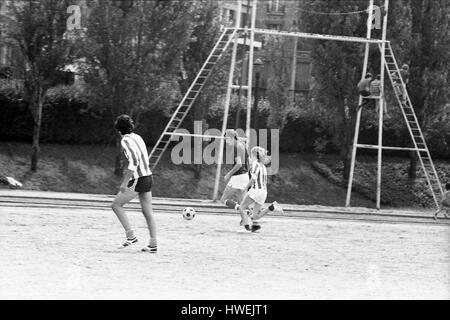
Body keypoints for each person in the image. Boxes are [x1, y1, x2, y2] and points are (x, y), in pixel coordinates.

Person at [111, 114, 157, 253]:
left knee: (116, 205)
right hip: (148, 176)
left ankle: (131, 236)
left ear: (118, 130)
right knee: (147, 212)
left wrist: (125, 182)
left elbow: (134, 162)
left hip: (139, 179)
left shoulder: (125, 140)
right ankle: (153, 244)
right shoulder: (138, 137)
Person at [236, 146, 283, 232]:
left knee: (242, 207)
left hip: (256, 190)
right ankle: (272, 207)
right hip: (263, 192)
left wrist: (246, 188)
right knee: (255, 216)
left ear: (254, 155)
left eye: (251, 155)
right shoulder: (263, 166)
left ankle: (246, 228)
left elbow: (253, 178)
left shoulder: (255, 164)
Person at [221, 129, 249, 213]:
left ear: (232, 137)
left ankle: (240, 209)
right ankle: (248, 217)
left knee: (223, 200)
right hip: (245, 176)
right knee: (242, 202)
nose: (225, 140)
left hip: (237, 177)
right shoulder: (242, 145)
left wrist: (228, 175)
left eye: (226, 138)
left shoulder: (236, 147)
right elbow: (249, 161)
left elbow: (239, 164)